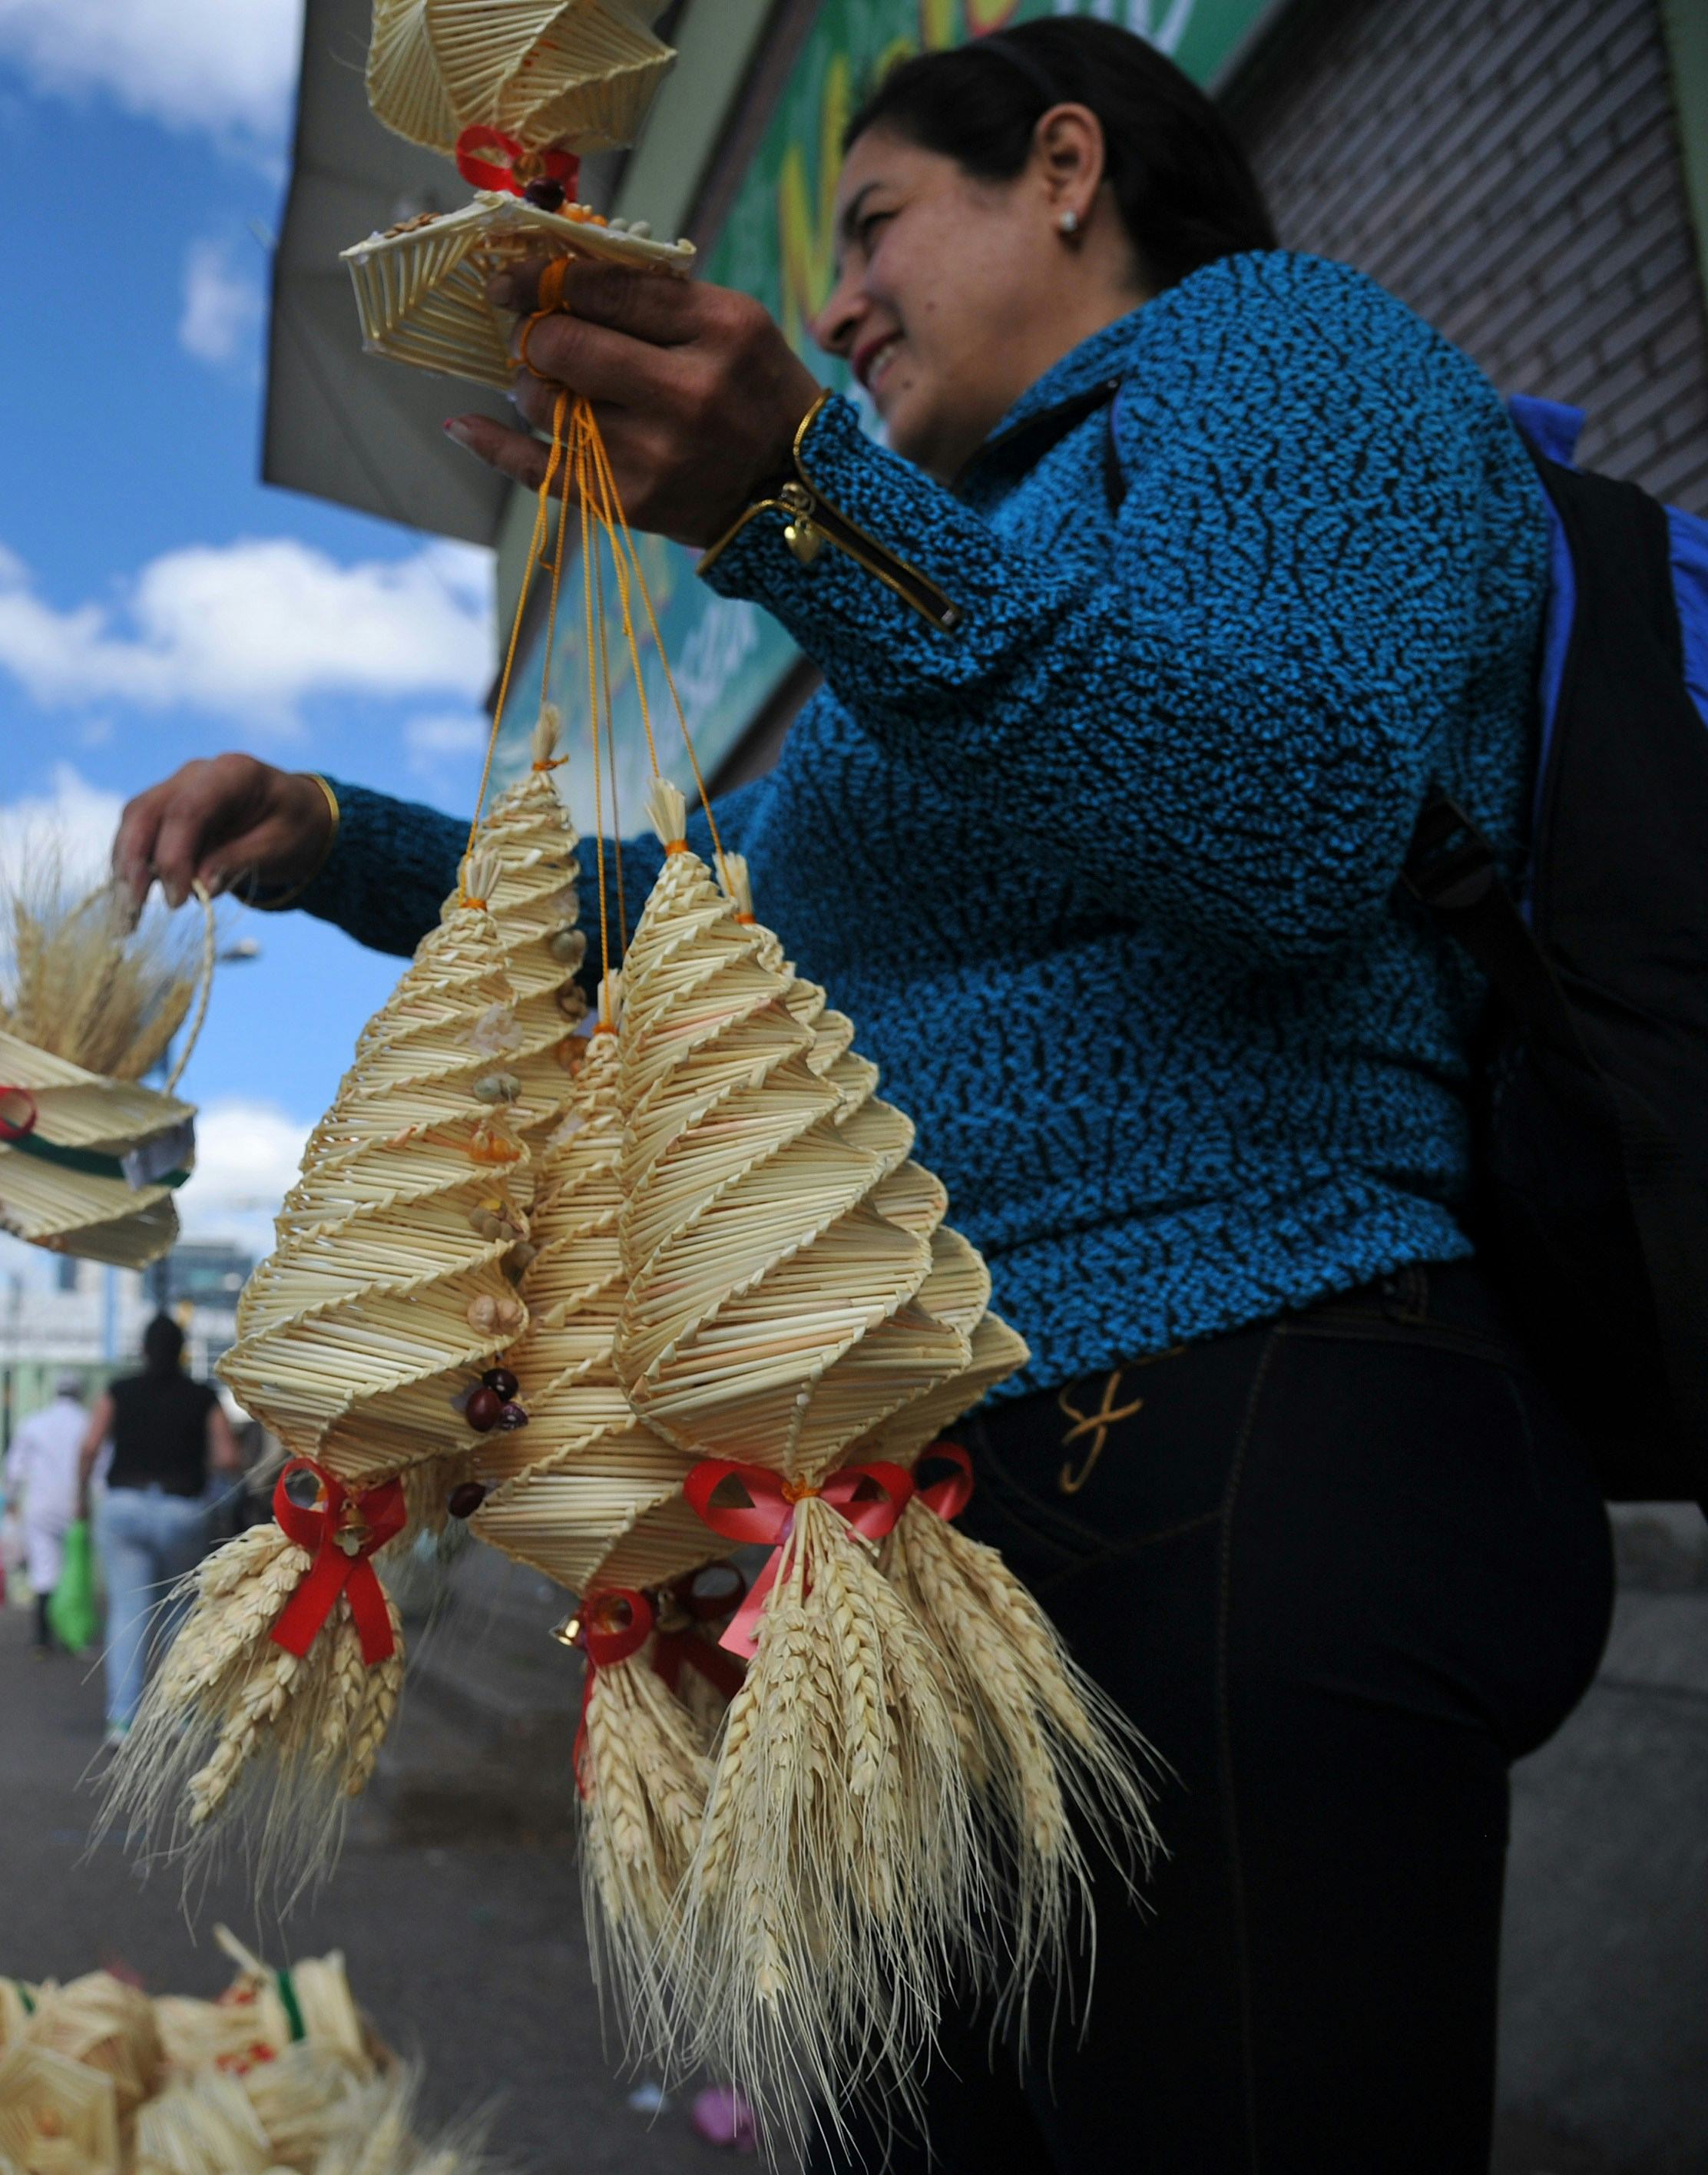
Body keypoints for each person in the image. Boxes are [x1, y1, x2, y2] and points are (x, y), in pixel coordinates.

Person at [108, 23, 1611, 2168]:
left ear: (1069, 168)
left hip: (1243, 1427)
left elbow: (1287, 816)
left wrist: (808, 502)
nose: (837, 297)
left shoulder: (1278, 348)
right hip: (934, 1526)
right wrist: (337, 840)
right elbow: (693, 918)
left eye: (878, 221)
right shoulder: (950, 586)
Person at [81, 1318, 238, 1741]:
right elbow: (226, 1457)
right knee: (181, 1613)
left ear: (143, 1349)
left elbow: (90, 1447)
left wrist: (79, 1498)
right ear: (183, 1351)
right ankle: (182, 1716)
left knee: (128, 1613)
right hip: (181, 1511)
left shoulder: (119, 1391)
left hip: (124, 1506)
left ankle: (122, 1720)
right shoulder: (203, 1397)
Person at [2, 1374, 93, 1654]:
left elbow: (14, 1469)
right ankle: (70, 1632)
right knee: (72, 1570)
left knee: (43, 1569)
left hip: (39, 1506)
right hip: (74, 1505)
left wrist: (11, 1500)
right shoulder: (87, 1422)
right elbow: (99, 1466)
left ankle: (42, 1637)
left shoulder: (33, 1423)